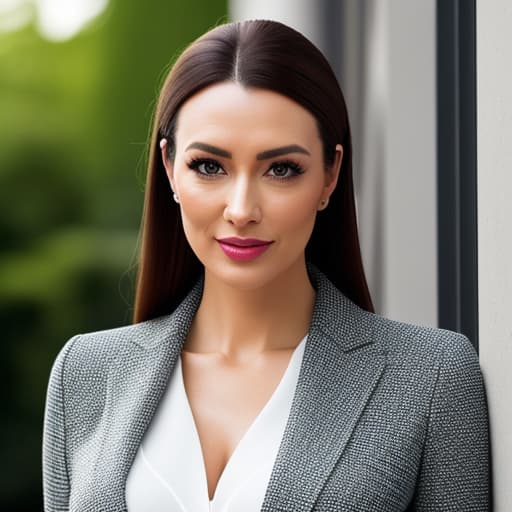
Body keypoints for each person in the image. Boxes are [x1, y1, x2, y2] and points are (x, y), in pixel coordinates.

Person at [42, 19, 489, 512]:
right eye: (209, 166)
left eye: (281, 169)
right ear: (169, 168)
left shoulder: (430, 378)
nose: (241, 209)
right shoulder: (84, 374)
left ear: (329, 174)